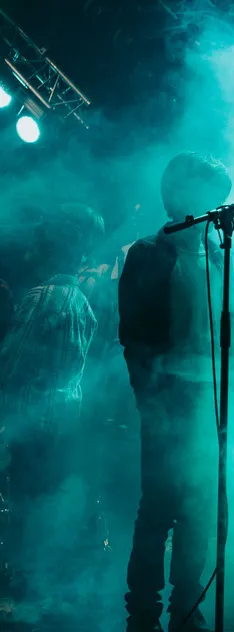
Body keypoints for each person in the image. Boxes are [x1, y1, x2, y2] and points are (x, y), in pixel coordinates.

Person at [119, 153, 234, 632]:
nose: (218, 203)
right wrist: (148, 398)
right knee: (158, 509)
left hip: (209, 395)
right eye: (209, 191)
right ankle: (143, 614)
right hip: (167, 394)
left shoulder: (219, 253)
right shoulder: (149, 252)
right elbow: (134, 335)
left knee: (198, 507)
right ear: (181, 192)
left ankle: (187, 609)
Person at [0, 202, 104, 602]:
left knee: (24, 510)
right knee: (42, 510)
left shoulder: (41, 297)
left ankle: (23, 596)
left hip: (30, 424)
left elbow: (10, 365)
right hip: (62, 423)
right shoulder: (79, 300)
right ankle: (43, 596)